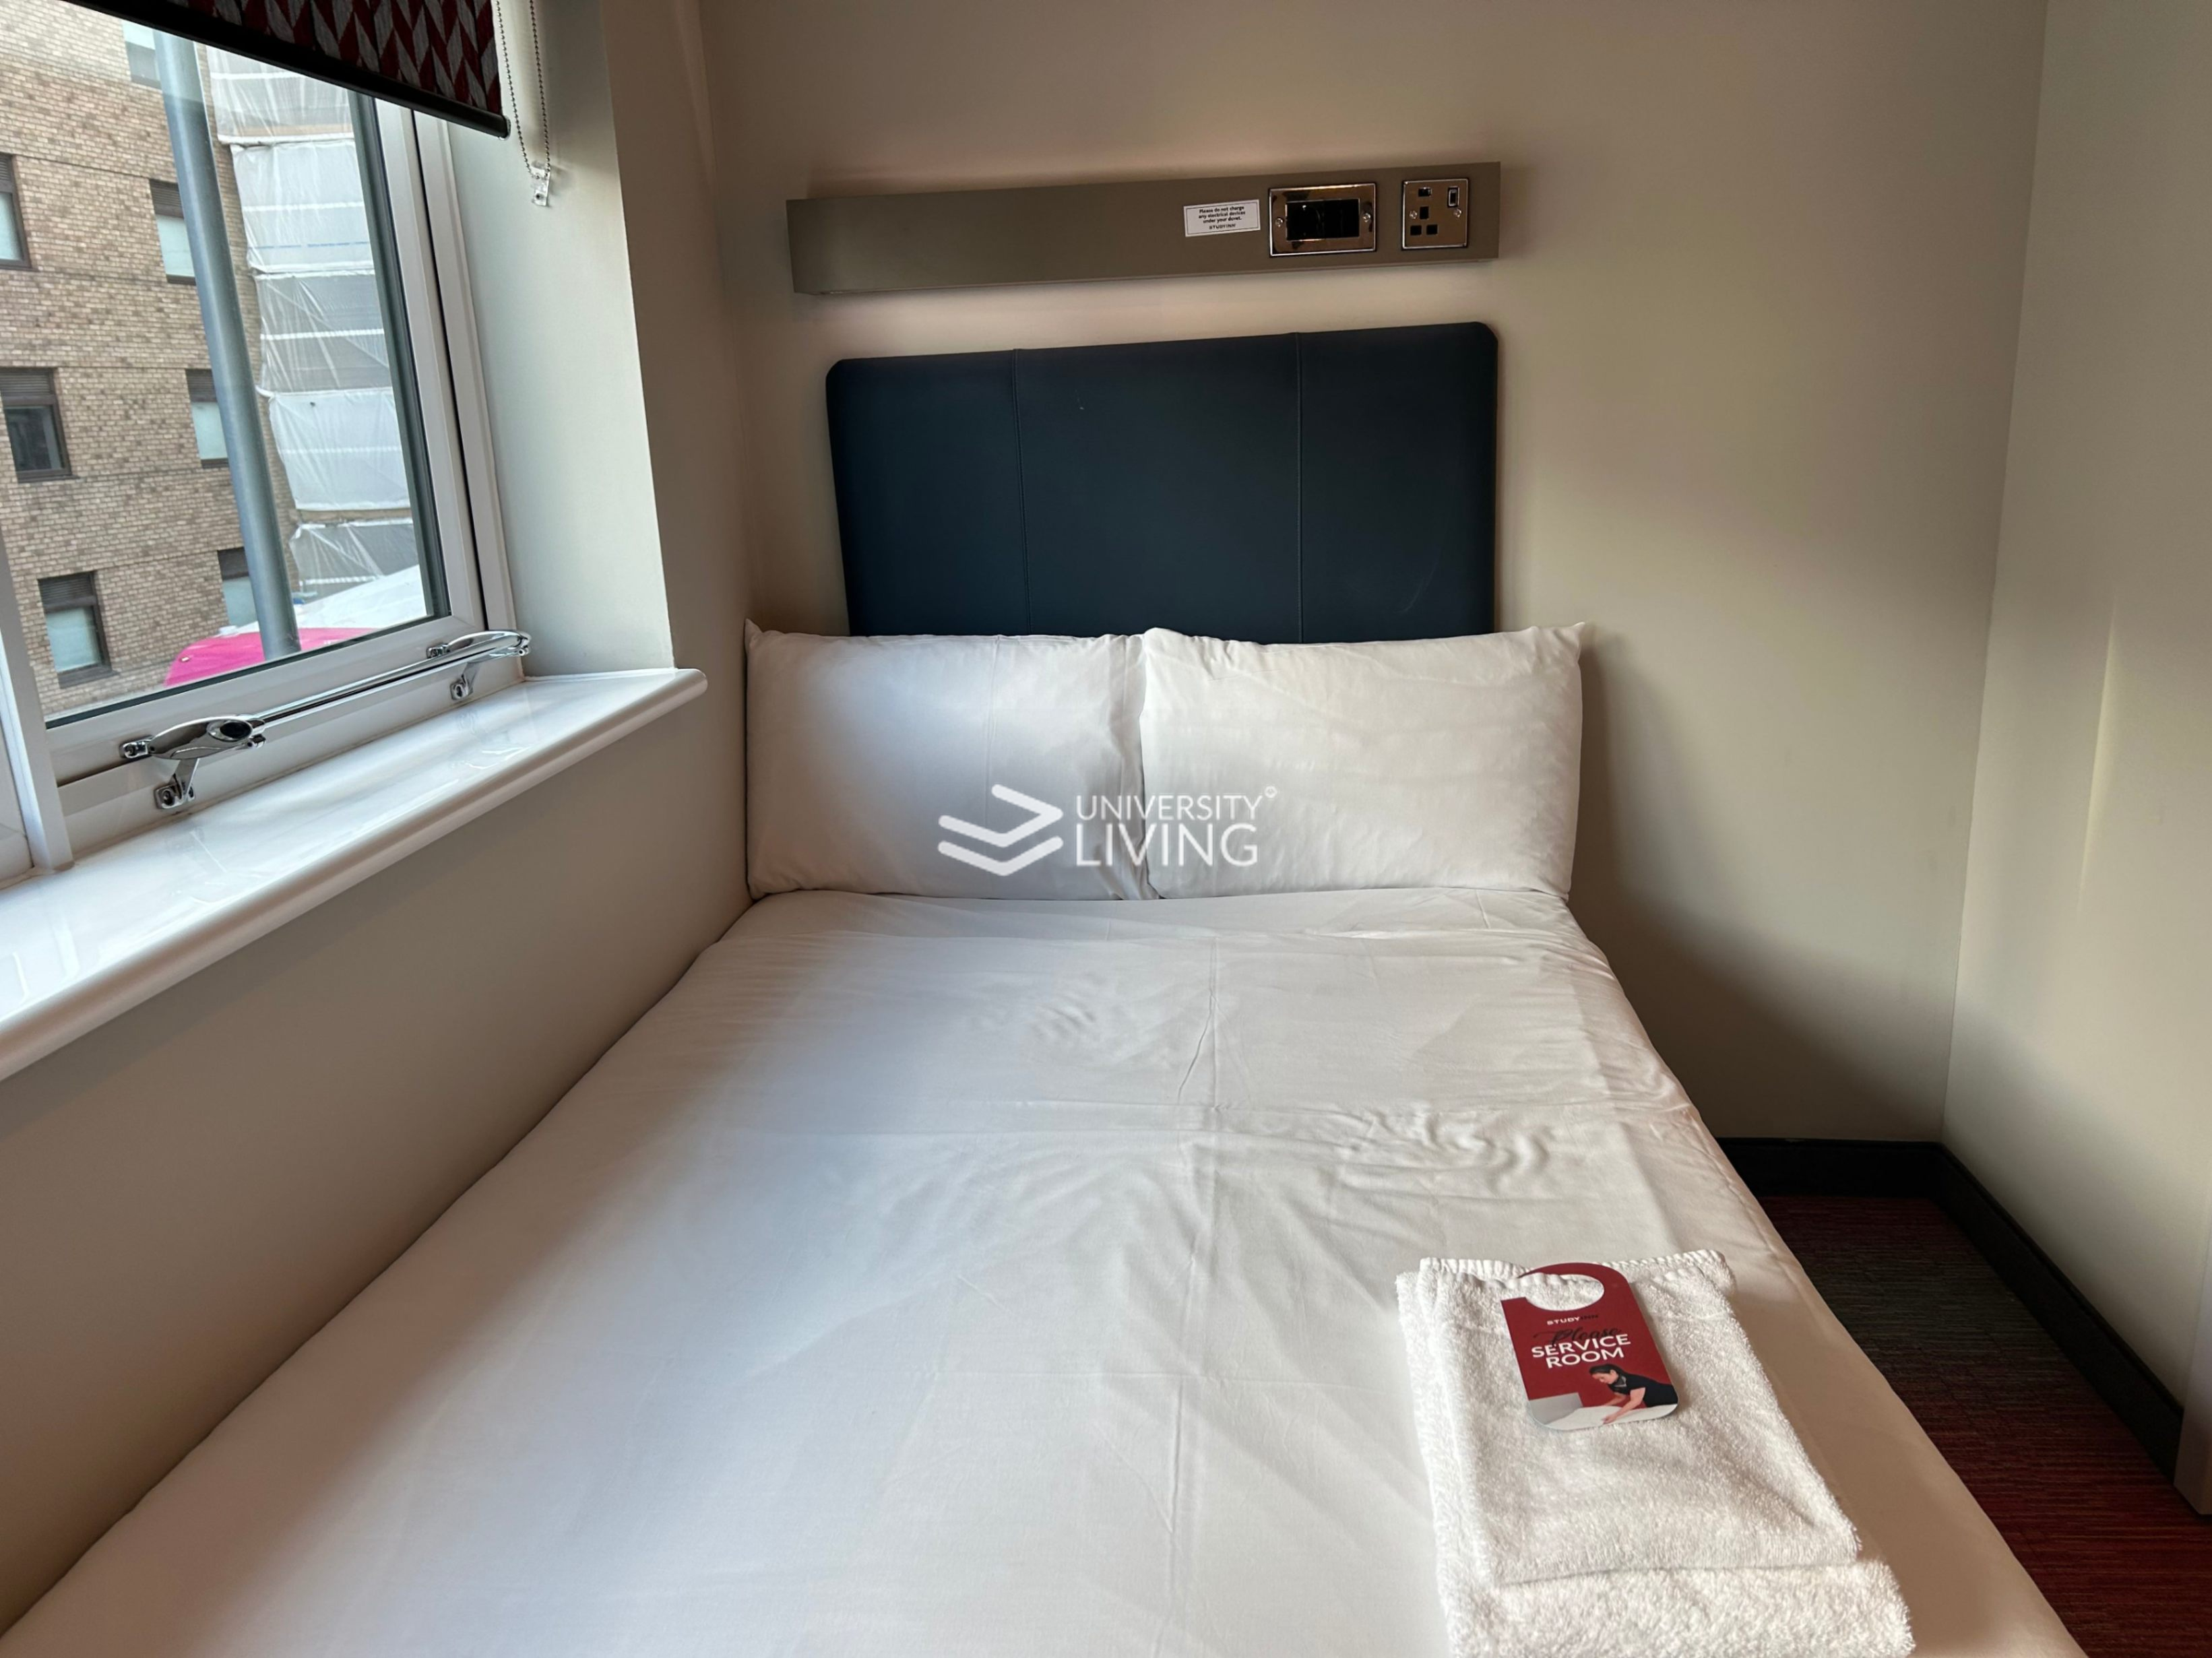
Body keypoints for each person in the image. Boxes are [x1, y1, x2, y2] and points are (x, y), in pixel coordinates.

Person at [1589, 1362, 1677, 1423]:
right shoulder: (1612, 1384)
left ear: (1612, 1372)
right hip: (1653, 1404)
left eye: (1602, 1378)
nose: (1601, 1381)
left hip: (1670, 1396)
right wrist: (1603, 1407)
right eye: (1599, 1379)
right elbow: (1620, 1397)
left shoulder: (1634, 1380)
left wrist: (1615, 1415)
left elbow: (1636, 1401)